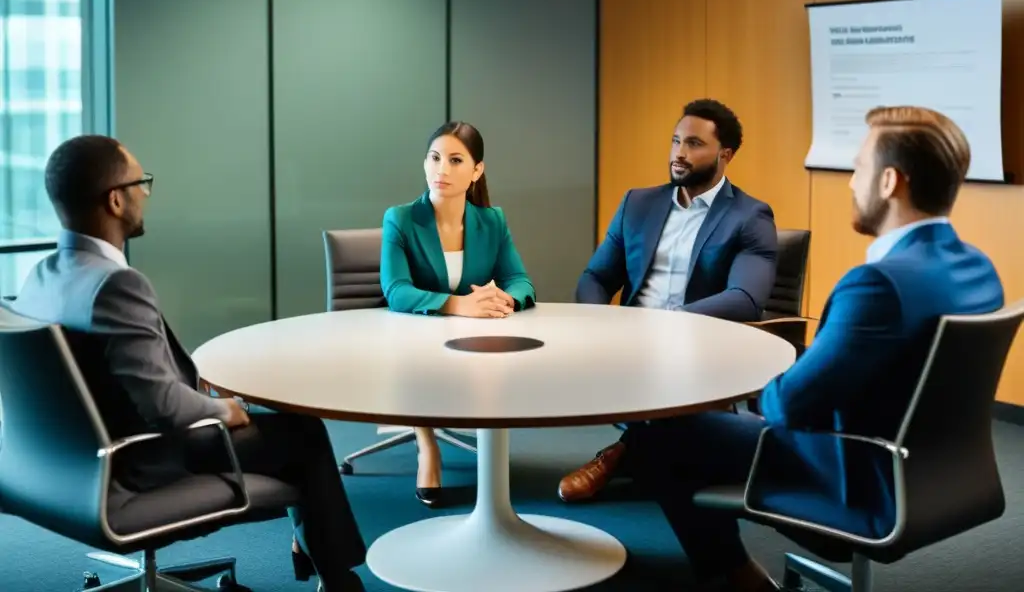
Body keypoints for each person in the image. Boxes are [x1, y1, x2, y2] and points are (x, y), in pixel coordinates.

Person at [626, 105, 1004, 591]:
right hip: (945, 478)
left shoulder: (877, 286)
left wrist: (759, 386)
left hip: (857, 480)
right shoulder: (978, 268)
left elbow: (787, 407)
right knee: (707, 428)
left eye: (859, 169)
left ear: (889, 182)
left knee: (660, 432)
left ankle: (738, 577)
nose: (850, 183)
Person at [14, 135, 367, 592]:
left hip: (68, 463)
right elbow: (164, 406)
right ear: (116, 199)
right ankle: (339, 580)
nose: (146, 193)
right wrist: (225, 410)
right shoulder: (117, 284)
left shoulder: (40, 277)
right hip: (142, 462)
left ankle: (318, 558)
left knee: (282, 429)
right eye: (140, 182)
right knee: (303, 432)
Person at [558, 98, 778, 502]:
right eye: (676, 141)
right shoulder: (637, 204)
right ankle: (648, 449)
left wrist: (671, 323)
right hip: (629, 339)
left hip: (698, 343)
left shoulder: (750, 216)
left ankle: (617, 456)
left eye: (694, 144)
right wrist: (598, 322)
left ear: (724, 154)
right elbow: (597, 276)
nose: (679, 153)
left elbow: (745, 298)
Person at [379, 121, 536, 507]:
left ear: (476, 170)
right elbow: (396, 290)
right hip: (415, 336)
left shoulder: (492, 221)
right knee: (416, 360)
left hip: (472, 339)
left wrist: (504, 299)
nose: (441, 170)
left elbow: (520, 280)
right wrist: (458, 305)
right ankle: (427, 445)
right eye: (434, 158)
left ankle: (491, 454)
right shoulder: (400, 219)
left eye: (455, 160)